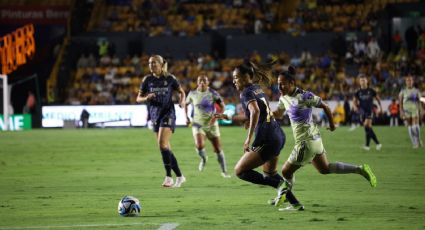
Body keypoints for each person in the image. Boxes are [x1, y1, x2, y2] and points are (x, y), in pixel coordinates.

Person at [272, 66, 377, 208]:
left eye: (282, 83)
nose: (279, 86)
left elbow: (326, 106)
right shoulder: (283, 97)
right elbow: (278, 113)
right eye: (278, 83)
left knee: (285, 171)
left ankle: (291, 201)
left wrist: (333, 125)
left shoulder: (305, 96)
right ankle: (360, 169)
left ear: (292, 83)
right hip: (316, 140)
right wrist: (265, 115)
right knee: (324, 169)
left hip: (306, 142)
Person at [215, 61, 303, 211]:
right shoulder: (256, 88)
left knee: (240, 171)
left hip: (267, 138)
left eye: (237, 77)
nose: (234, 81)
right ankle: (296, 204)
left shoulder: (246, 93)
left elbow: (255, 112)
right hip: (277, 135)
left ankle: (281, 186)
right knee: (269, 174)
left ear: (247, 76)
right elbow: (253, 114)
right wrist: (228, 117)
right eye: (233, 78)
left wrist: (248, 138)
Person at [136, 55, 186, 188]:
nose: (151, 65)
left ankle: (168, 177)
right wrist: (147, 97)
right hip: (155, 116)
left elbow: (182, 92)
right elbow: (138, 98)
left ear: (161, 64)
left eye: (154, 63)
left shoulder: (170, 78)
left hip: (168, 114)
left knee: (162, 143)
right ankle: (180, 176)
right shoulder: (147, 80)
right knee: (165, 147)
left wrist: (182, 101)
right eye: (150, 63)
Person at [184, 75, 231, 178]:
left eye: (204, 81)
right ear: (197, 82)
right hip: (198, 124)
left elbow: (222, 106)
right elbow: (185, 104)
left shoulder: (213, 93)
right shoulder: (192, 94)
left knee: (217, 149)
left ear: (208, 82)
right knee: (199, 145)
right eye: (200, 80)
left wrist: (218, 115)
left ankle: (224, 171)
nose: (202, 82)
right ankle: (203, 159)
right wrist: (186, 118)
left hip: (212, 125)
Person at [353, 74, 383, 151]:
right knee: (367, 128)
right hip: (362, 112)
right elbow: (354, 102)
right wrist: (355, 107)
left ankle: (377, 144)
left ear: (367, 81)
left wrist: (380, 108)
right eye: (361, 80)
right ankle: (369, 145)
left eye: (364, 80)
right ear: (359, 82)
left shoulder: (371, 90)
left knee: (367, 125)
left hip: (370, 111)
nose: (362, 81)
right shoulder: (358, 92)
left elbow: (378, 99)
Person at [399, 74, 423, 148]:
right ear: (406, 82)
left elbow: (420, 100)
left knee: (415, 126)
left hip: (415, 110)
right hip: (406, 111)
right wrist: (401, 111)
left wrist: (421, 109)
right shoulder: (402, 91)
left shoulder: (416, 91)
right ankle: (414, 143)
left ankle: (419, 140)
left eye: (410, 80)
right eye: (407, 80)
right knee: (410, 126)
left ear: (413, 81)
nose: (409, 82)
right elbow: (400, 102)